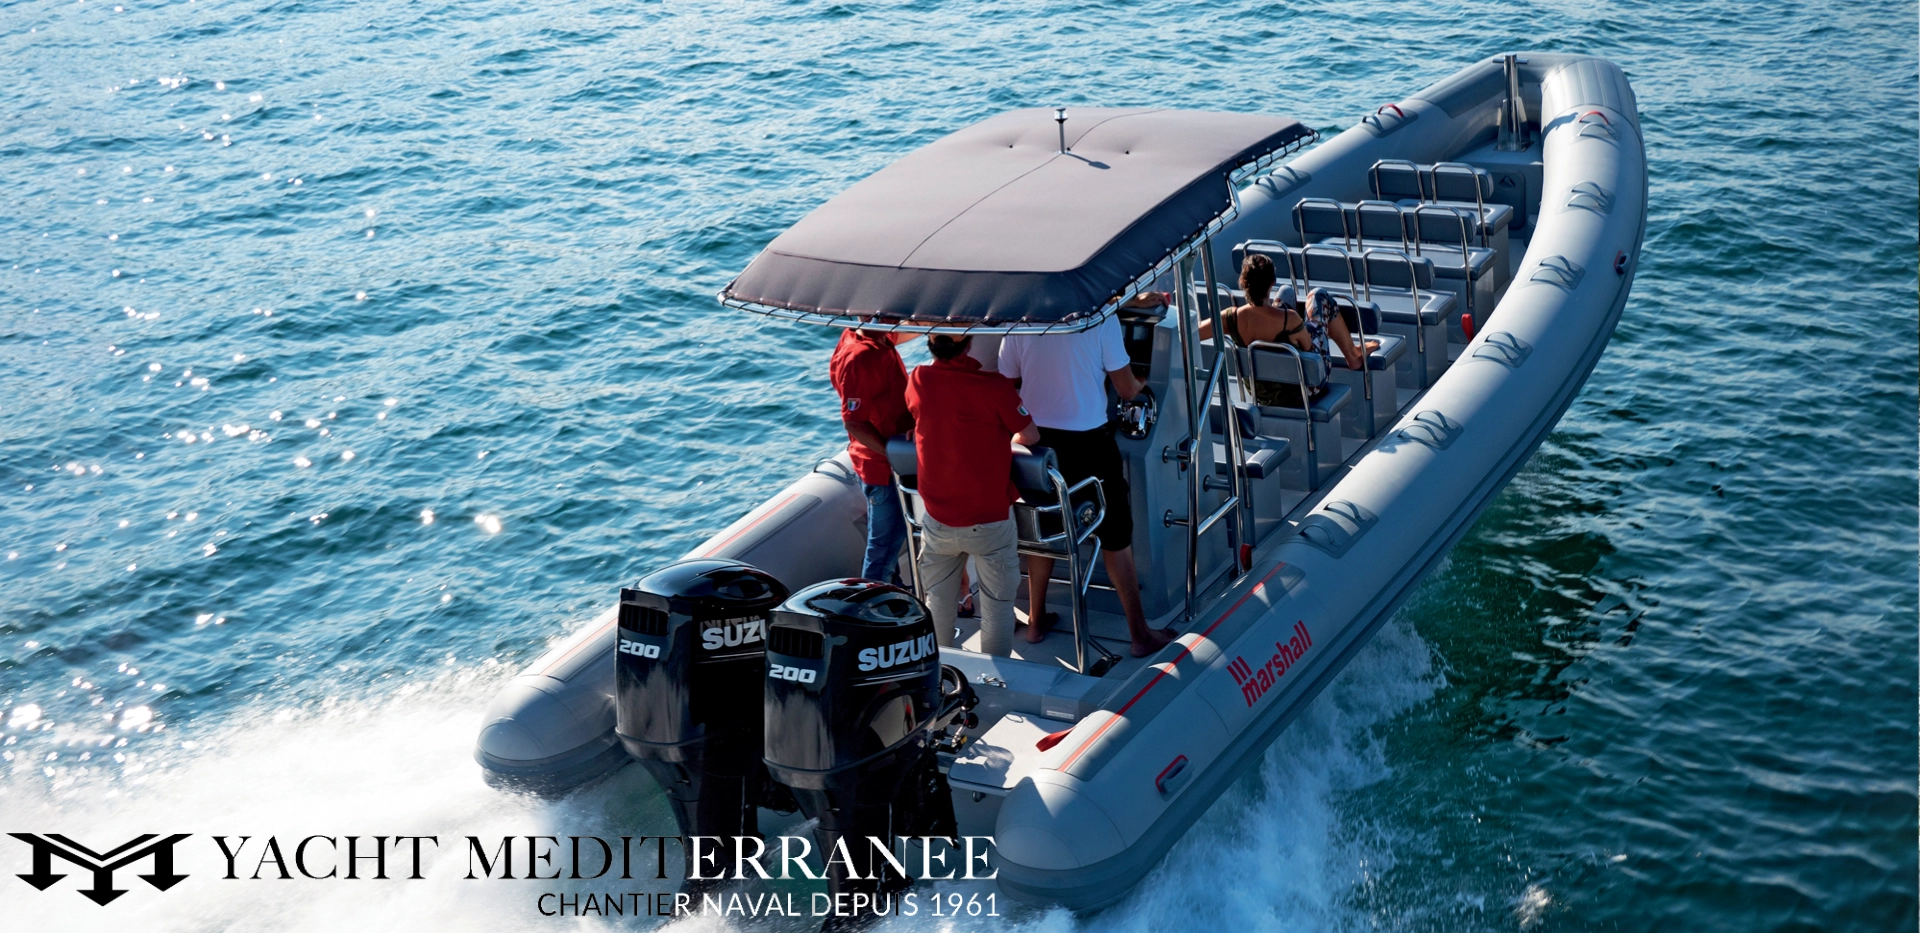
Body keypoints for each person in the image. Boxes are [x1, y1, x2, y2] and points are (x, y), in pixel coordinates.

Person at [999, 309, 1177, 658]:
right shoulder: (1101, 319)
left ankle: (1035, 623)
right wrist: (1141, 382)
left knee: (1044, 530)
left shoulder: (1021, 320)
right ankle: (1139, 634)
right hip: (1090, 447)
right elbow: (1126, 390)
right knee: (1115, 536)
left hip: (1038, 446)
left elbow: (1006, 382)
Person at [905, 334, 1040, 657]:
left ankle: (937, 678)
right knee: (997, 607)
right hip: (989, 520)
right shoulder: (994, 387)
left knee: (937, 603)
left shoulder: (919, 379)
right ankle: (994, 681)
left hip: (937, 519)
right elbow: (1030, 434)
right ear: (968, 346)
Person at [1198, 256, 1372, 408]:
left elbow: (1195, 333)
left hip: (1262, 395)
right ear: (1272, 283)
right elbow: (1308, 347)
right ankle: (1353, 355)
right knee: (1318, 296)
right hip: (1303, 389)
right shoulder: (1290, 318)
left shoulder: (1229, 318)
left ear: (1243, 283)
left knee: (1286, 293)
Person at [829, 324, 916, 582]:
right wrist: (892, 454)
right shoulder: (861, 357)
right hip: (883, 468)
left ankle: (894, 602)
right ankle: (874, 611)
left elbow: (905, 332)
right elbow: (854, 421)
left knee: (887, 549)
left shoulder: (869, 337)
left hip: (884, 463)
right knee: (882, 552)